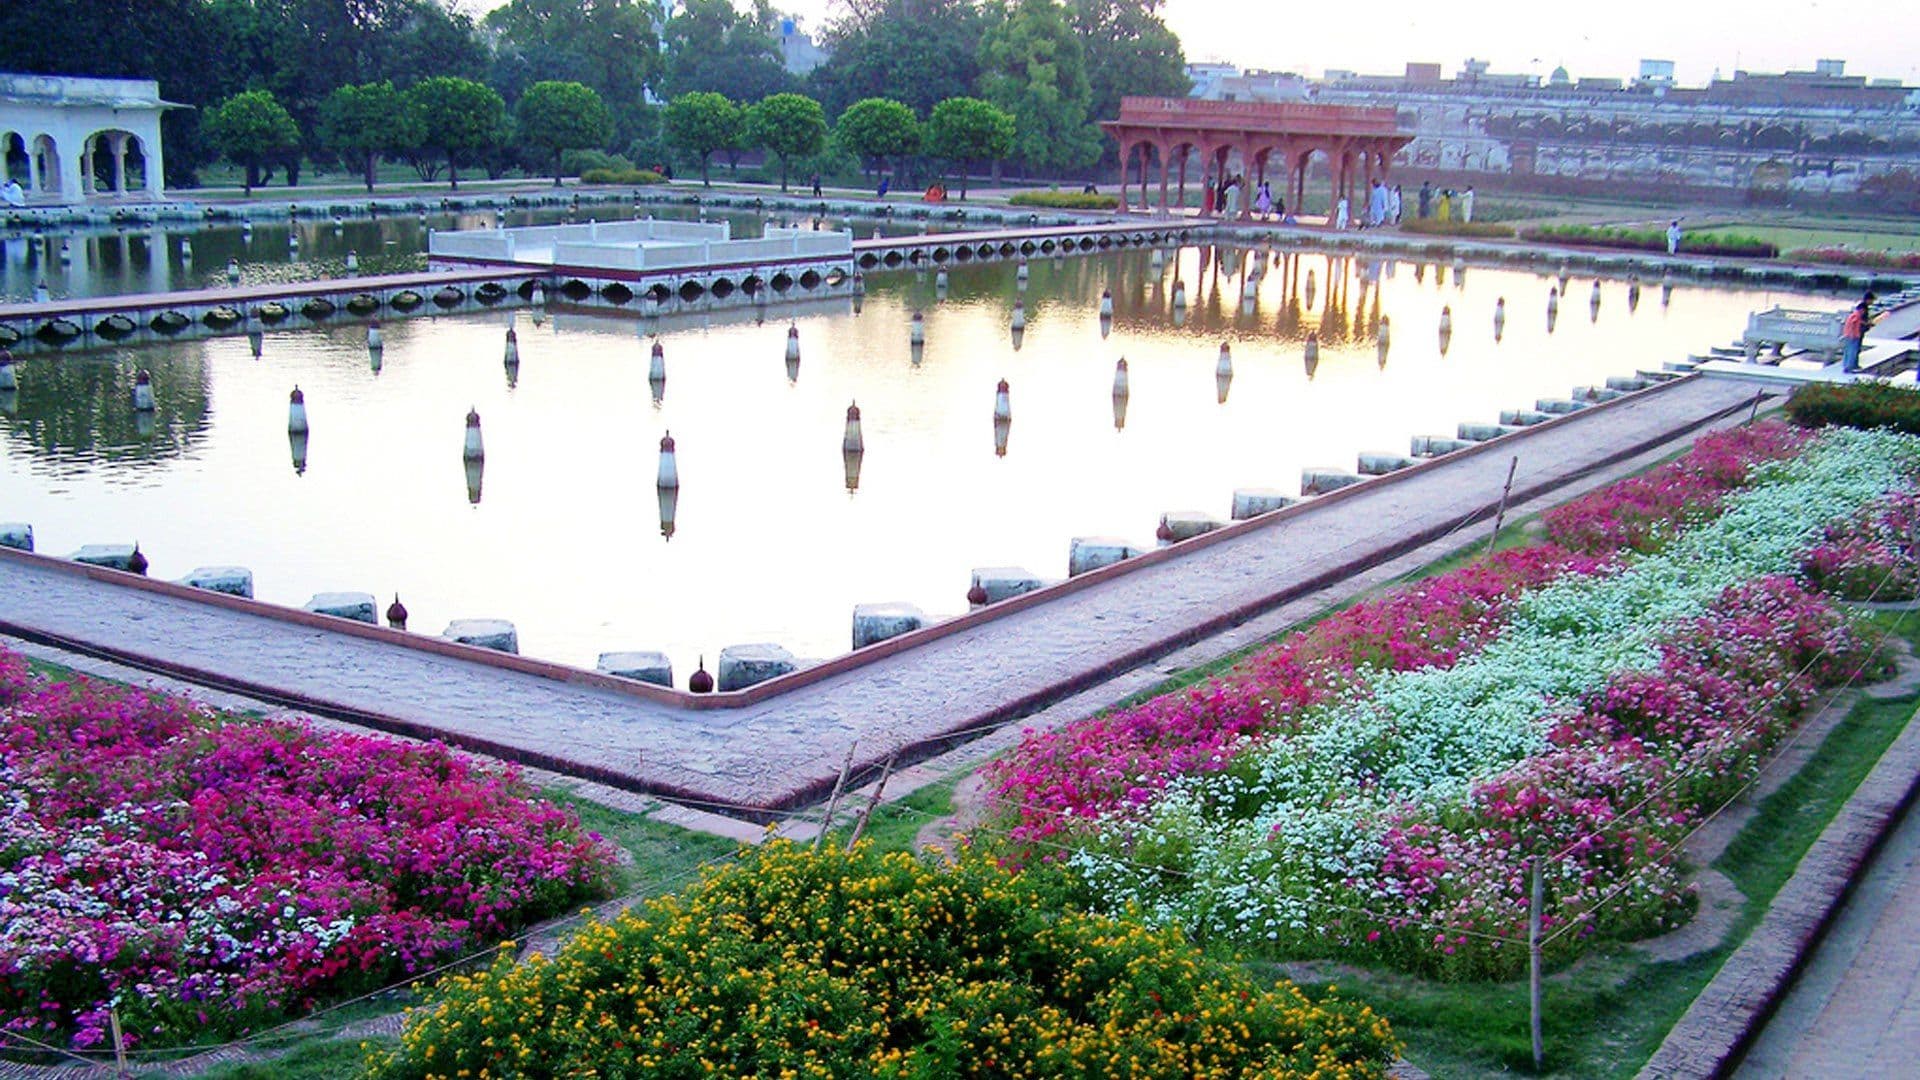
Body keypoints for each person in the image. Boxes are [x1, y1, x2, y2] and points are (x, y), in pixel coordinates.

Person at [1841, 300, 1871, 373]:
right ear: (1862, 309)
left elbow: (1858, 322)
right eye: (1864, 311)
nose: (1864, 313)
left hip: (1848, 335)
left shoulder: (1853, 315)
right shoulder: (1856, 316)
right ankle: (1849, 367)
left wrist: (1865, 323)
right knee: (1852, 352)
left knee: (1847, 351)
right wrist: (1852, 334)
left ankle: (1846, 366)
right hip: (1853, 336)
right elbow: (1853, 324)